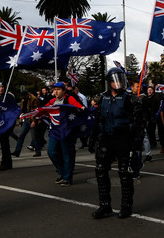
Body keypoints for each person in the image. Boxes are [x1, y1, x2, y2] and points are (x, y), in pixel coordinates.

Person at [91, 68, 143, 219]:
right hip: (107, 139)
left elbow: (139, 123)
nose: (118, 82)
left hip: (124, 139)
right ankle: (105, 205)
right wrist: (93, 137)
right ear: (109, 82)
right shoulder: (102, 98)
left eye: (120, 79)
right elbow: (98, 119)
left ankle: (126, 206)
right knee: (100, 170)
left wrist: (136, 143)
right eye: (115, 80)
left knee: (124, 173)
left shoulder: (130, 99)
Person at [44, 81, 84, 186]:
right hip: (55, 131)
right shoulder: (52, 101)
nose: (56, 92)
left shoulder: (69, 99)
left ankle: (67, 178)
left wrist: (81, 108)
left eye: (58, 90)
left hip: (67, 131)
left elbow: (78, 106)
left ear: (63, 91)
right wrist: (31, 113)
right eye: (54, 90)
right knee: (51, 152)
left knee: (67, 154)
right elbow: (43, 109)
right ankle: (62, 172)